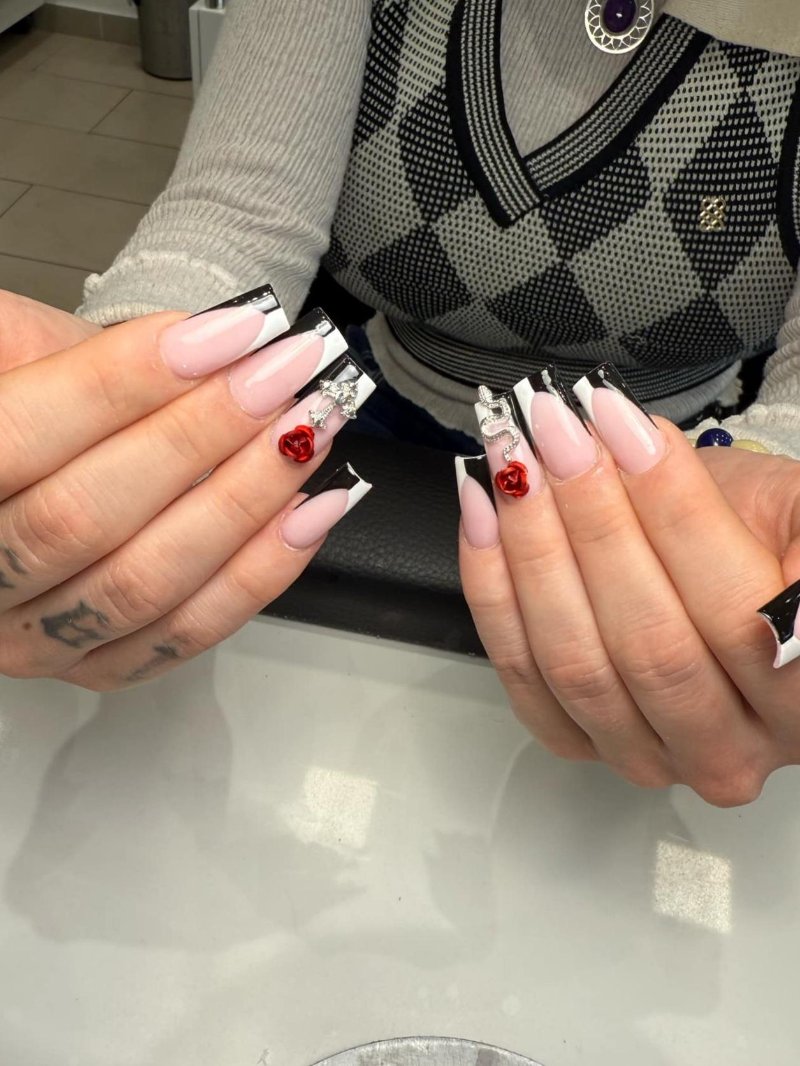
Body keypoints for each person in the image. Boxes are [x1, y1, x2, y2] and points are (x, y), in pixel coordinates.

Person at [1, 0, 799, 807]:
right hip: (358, 420)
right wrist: (129, 384)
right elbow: (236, 215)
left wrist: (778, 482)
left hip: (691, 467)